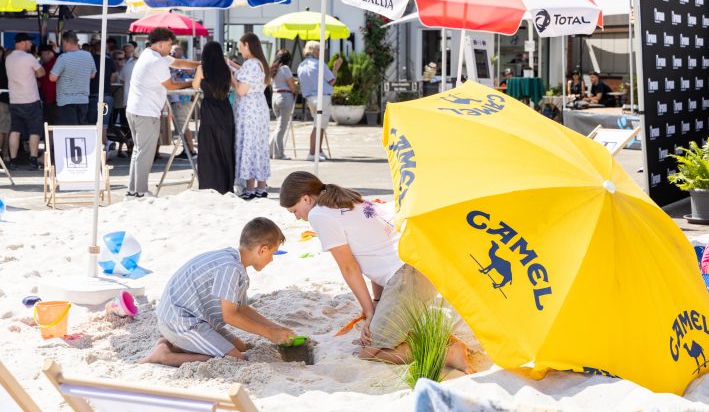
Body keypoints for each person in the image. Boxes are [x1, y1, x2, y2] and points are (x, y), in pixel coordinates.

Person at [279, 171, 474, 373]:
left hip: (408, 278)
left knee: (370, 350)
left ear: (305, 198)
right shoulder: (347, 200)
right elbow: (375, 253)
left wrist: (370, 312)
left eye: (294, 210)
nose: (297, 217)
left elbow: (349, 267)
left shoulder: (319, 214)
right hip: (421, 266)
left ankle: (449, 354)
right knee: (391, 329)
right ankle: (447, 341)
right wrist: (376, 304)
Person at [140, 217, 296, 367]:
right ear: (263, 250)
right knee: (235, 358)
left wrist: (276, 328)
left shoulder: (235, 262)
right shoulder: (230, 268)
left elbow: (242, 309)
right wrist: (269, 333)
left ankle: (170, 345)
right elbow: (230, 316)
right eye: (273, 253)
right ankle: (164, 356)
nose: (272, 259)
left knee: (241, 347)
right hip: (180, 321)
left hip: (198, 319)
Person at [125, 28, 199, 198]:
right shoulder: (156, 61)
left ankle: (133, 191)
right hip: (146, 112)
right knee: (145, 153)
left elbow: (178, 63)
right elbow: (171, 86)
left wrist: (200, 65)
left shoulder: (149, 53)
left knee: (139, 151)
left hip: (135, 110)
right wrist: (192, 83)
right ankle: (141, 192)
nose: (171, 47)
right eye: (169, 44)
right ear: (159, 44)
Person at [230, 32, 271, 200]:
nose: (240, 51)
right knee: (259, 146)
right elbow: (247, 75)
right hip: (259, 109)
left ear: (247, 45)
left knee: (248, 145)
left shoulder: (251, 64)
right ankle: (261, 187)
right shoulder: (260, 63)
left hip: (249, 111)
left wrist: (231, 77)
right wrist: (232, 64)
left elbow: (241, 90)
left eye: (241, 47)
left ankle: (250, 188)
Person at [192, 41, 235, 195]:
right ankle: (227, 185)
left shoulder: (202, 68)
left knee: (209, 147)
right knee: (225, 147)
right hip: (225, 109)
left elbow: (195, 86)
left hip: (209, 109)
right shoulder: (226, 69)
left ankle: (210, 183)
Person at [6, 33, 45, 170]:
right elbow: (41, 72)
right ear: (22, 43)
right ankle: (33, 160)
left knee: (15, 130)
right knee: (34, 131)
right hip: (31, 99)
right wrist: (34, 73)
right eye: (29, 42)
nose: (31, 44)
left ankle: (13, 161)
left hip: (15, 100)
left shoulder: (8, 58)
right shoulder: (29, 58)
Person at [297, 41, 340, 161]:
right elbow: (332, 80)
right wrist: (336, 68)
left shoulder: (301, 65)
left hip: (310, 98)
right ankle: (312, 152)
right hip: (322, 97)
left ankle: (318, 150)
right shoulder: (318, 64)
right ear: (315, 51)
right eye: (320, 50)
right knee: (319, 126)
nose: (322, 52)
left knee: (319, 125)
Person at [50, 31, 96, 125]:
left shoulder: (63, 58)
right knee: (81, 131)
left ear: (66, 41)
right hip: (83, 100)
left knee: (69, 132)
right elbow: (93, 75)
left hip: (66, 100)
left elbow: (52, 78)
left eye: (63, 43)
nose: (63, 46)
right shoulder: (88, 55)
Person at [168, 44, 196, 157]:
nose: (172, 53)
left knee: (183, 125)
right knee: (179, 126)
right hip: (175, 98)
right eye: (171, 51)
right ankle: (186, 149)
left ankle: (191, 150)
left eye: (174, 50)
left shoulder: (186, 63)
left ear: (181, 51)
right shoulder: (171, 62)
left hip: (182, 99)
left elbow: (192, 78)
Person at [269, 49, 297, 160]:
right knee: (282, 127)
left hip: (275, 97)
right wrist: (296, 89)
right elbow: (292, 85)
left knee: (278, 126)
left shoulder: (273, 69)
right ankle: (279, 153)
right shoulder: (285, 68)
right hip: (285, 97)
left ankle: (269, 151)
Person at [38, 45, 58, 126]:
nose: (42, 57)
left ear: (50, 53)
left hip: (55, 100)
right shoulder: (44, 65)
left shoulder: (56, 63)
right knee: (48, 123)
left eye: (43, 54)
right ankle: (49, 138)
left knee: (54, 122)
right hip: (47, 99)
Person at [0, 46, 10, 161]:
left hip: (8, 100)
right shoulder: (3, 66)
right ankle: (5, 154)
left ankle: (6, 153)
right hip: (3, 100)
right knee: (4, 128)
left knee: (6, 128)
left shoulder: (5, 66)